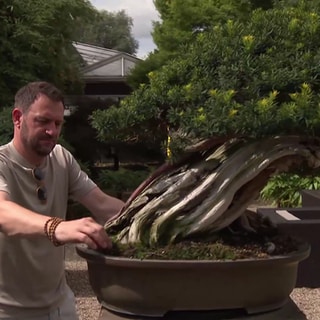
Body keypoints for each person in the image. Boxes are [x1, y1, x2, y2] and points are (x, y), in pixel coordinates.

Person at [0, 81, 125, 319]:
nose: (53, 131)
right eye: (43, 121)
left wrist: (151, 217)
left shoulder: (61, 158)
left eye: (58, 123)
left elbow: (103, 205)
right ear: (18, 118)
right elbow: (2, 212)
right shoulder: (2, 163)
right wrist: (57, 227)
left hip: (60, 308)